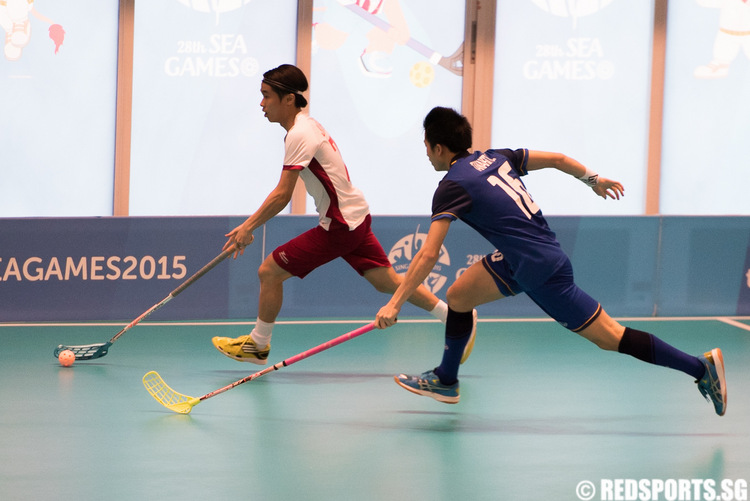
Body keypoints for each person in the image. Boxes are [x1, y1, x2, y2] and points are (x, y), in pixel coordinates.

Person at [374, 106, 728, 416]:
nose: (426, 156)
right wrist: (593, 180)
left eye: (426, 147)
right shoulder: (496, 156)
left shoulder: (452, 185)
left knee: (610, 337)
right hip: (523, 256)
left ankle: (700, 368)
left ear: (439, 147)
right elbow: (558, 159)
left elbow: (429, 252)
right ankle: (447, 380)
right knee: (459, 295)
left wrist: (394, 303)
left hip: (538, 268)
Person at [212, 65, 475, 365]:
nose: (262, 104)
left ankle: (258, 344)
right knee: (387, 281)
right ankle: (453, 316)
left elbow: (283, 194)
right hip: (356, 218)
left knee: (269, 272)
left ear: (288, 99)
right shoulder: (308, 126)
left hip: (340, 225)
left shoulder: (300, 134)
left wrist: (247, 227)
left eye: (266, 96)